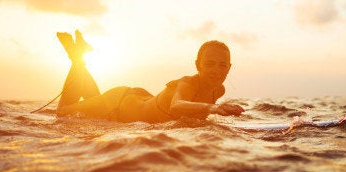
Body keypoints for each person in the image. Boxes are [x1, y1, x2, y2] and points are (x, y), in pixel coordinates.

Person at [55, 30, 244, 123]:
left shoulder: (219, 89)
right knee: (63, 112)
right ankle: (76, 57)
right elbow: (176, 106)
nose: (216, 71)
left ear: (229, 68)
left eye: (222, 65)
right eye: (209, 64)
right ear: (197, 65)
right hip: (119, 104)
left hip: (140, 99)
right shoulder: (187, 84)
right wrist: (214, 108)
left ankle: (78, 55)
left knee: (91, 100)